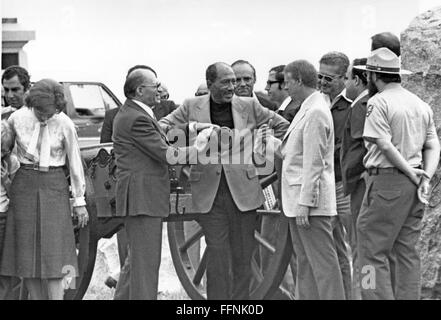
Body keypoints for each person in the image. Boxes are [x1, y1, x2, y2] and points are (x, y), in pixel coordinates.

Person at [159, 62, 289, 299]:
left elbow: (282, 126)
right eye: (226, 82)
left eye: (235, 81)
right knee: (217, 254)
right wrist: (193, 128)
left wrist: (263, 144)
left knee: (242, 256)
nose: (234, 86)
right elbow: (162, 127)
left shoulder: (249, 105)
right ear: (210, 84)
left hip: (244, 192)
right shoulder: (191, 105)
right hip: (210, 194)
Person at [112, 66, 212, 300]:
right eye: (154, 85)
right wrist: (198, 148)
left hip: (140, 196)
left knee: (137, 262)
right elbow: (166, 154)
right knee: (146, 265)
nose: (159, 89)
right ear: (139, 90)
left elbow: (161, 134)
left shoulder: (134, 112)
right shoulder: (137, 117)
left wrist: (193, 128)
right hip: (143, 197)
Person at [257, 59, 345, 299]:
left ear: (297, 80)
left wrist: (306, 203)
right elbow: (295, 153)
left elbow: (314, 162)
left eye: (287, 82)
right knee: (305, 262)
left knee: (323, 265)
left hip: (310, 203)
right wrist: (273, 143)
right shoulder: (309, 107)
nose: (286, 87)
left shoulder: (315, 110)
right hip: (298, 202)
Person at [356, 47, 440, 300]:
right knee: (407, 252)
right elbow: (433, 144)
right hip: (413, 185)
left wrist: (411, 172)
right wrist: (424, 176)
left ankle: (373, 297)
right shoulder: (420, 104)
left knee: (370, 252)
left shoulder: (378, 102)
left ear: (372, 75)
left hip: (387, 182)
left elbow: (383, 143)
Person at [0, 79, 89, 300]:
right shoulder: (16, 118)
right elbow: (6, 150)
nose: (44, 117)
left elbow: (75, 161)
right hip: (24, 185)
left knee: (54, 251)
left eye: (50, 113)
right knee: (25, 251)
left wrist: (79, 201)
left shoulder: (65, 123)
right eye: (40, 111)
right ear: (31, 103)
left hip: (55, 184)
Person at [318, 51, 353, 299]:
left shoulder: (352, 106)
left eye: (328, 79)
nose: (322, 83)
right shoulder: (313, 103)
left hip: (344, 187)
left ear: (344, 78)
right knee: (328, 250)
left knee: (358, 251)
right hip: (321, 187)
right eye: (319, 76)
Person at [340, 58, 369, 299]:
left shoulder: (361, 106)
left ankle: (364, 294)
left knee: (362, 248)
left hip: (361, 184)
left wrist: (349, 176)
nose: (346, 83)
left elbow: (360, 148)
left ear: (357, 81)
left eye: (348, 78)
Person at [0, 121, 20, 300]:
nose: (1, 155)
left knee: (4, 268)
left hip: (3, 216)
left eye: (4, 151)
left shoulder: (11, 162)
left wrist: (6, 180)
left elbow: (16, 195)